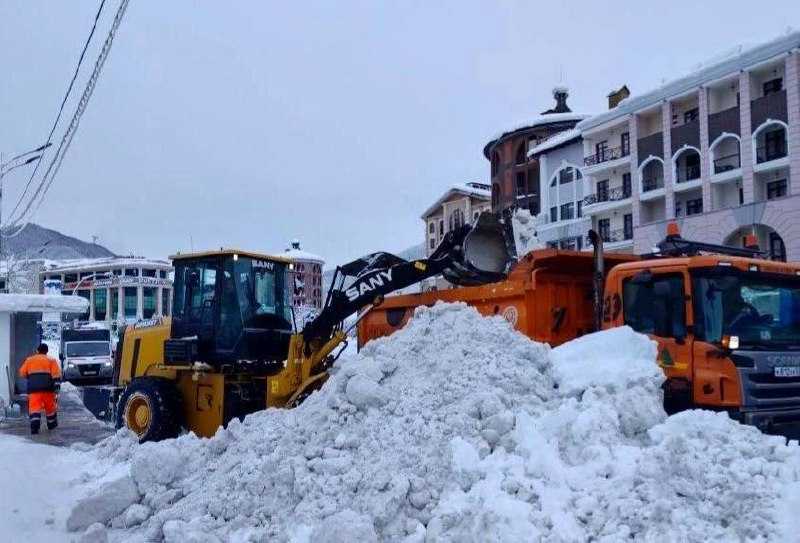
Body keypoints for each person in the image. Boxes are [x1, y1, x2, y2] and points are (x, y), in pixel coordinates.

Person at [19, 343, 62, 435]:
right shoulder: (51, 360)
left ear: (37, 351)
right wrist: (57, 386)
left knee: (34, 408)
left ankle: (35, 428)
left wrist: (31, 377)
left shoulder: (29, 360)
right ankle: (51, 425)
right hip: (48, 389)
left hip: (34, 390)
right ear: (46, 351)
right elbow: (56, 374)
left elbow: (22, 373)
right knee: (50, 408)